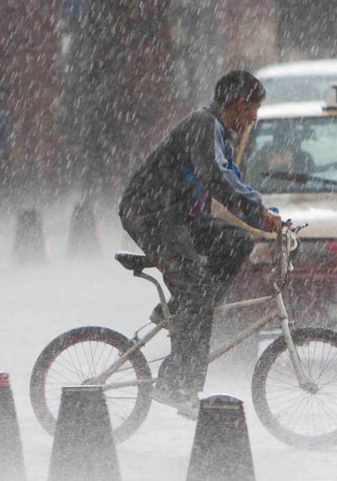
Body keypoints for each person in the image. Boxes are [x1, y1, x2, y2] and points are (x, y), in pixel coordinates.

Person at [118, 70, 282, 419]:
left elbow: (231, 177)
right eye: (254, 110)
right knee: (195, 288)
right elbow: (216, 177)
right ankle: (179, 385)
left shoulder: (221, 133)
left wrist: (260, 216)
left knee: (236, 241)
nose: (254, 118)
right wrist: (259, 213)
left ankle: (183, 307)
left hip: (181, 218)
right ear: (240, 104)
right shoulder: (203, 124)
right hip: (153, 214)